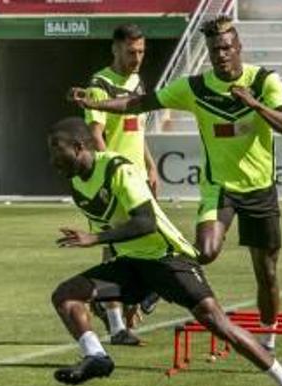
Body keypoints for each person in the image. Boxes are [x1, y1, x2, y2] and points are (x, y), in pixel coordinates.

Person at [70, 15, 282, 354]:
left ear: (238, 48)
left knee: (266, 271)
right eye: (213, 50)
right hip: (219, 187)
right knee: (203, 252)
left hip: (260, 188)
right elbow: (138, 104)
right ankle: (154, 286)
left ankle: (268, 337)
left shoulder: (264, 80)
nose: (220, 55)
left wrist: (254, 104)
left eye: (225, 48)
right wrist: (94, 104)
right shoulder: (194, 87)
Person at [46, 117, 282, 386]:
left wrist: (95, 240)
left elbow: (146, 222)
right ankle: (96, 356)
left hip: (169, 259)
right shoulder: (78, 184)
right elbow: (115, 229)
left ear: (79, 147)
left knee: (217, 322)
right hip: (131, 263)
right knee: (66, 295)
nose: (51, 157)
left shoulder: (117, 168)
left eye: (56, 148)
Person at [83, 23, 160, 346]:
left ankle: (123, 306)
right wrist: (111, 172)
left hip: (138, 179)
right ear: (115, 49)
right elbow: (96, 135)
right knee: (114, 249)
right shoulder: (99, 85)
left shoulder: (137, 82)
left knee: (144, 243)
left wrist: (151, 165)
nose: (137, 58)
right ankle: (116, 324)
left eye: (141, 52)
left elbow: (135, 131)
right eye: (131, 52)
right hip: (115, 181)